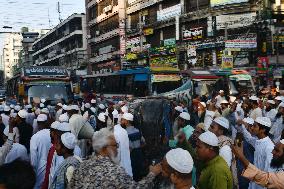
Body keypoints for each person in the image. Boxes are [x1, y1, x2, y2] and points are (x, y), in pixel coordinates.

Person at [68, 128, 161, 188]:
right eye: (115, 146)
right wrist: (152, 174)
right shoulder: (113, 171)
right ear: (104, 148)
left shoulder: (81, 167)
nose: (117, 149)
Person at [237, 116, 275, 189]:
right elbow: (249, 138)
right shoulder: (258, 141)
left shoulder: (269, 147)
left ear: (263, 130)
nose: (251, 128)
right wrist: (242, 126)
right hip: (254, 182)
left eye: (255, 126)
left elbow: (269, 174)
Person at [30, 114, 51, 189]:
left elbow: (33, 157)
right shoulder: (53, 133)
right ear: (46, 122)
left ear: (38, 123)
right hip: (53, 164)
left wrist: (33, 169)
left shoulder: (35, 137)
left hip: (40, 167)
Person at [123, 113, 146, 181]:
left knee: (134, 171)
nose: (122, 121)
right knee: (139, 170)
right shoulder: (137, 130)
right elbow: (144, 143)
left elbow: (130, 148)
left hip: (132, 155)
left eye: (123, 119)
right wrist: (138, 146)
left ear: (127, 121)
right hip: (139, 153)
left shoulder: (125, 133)